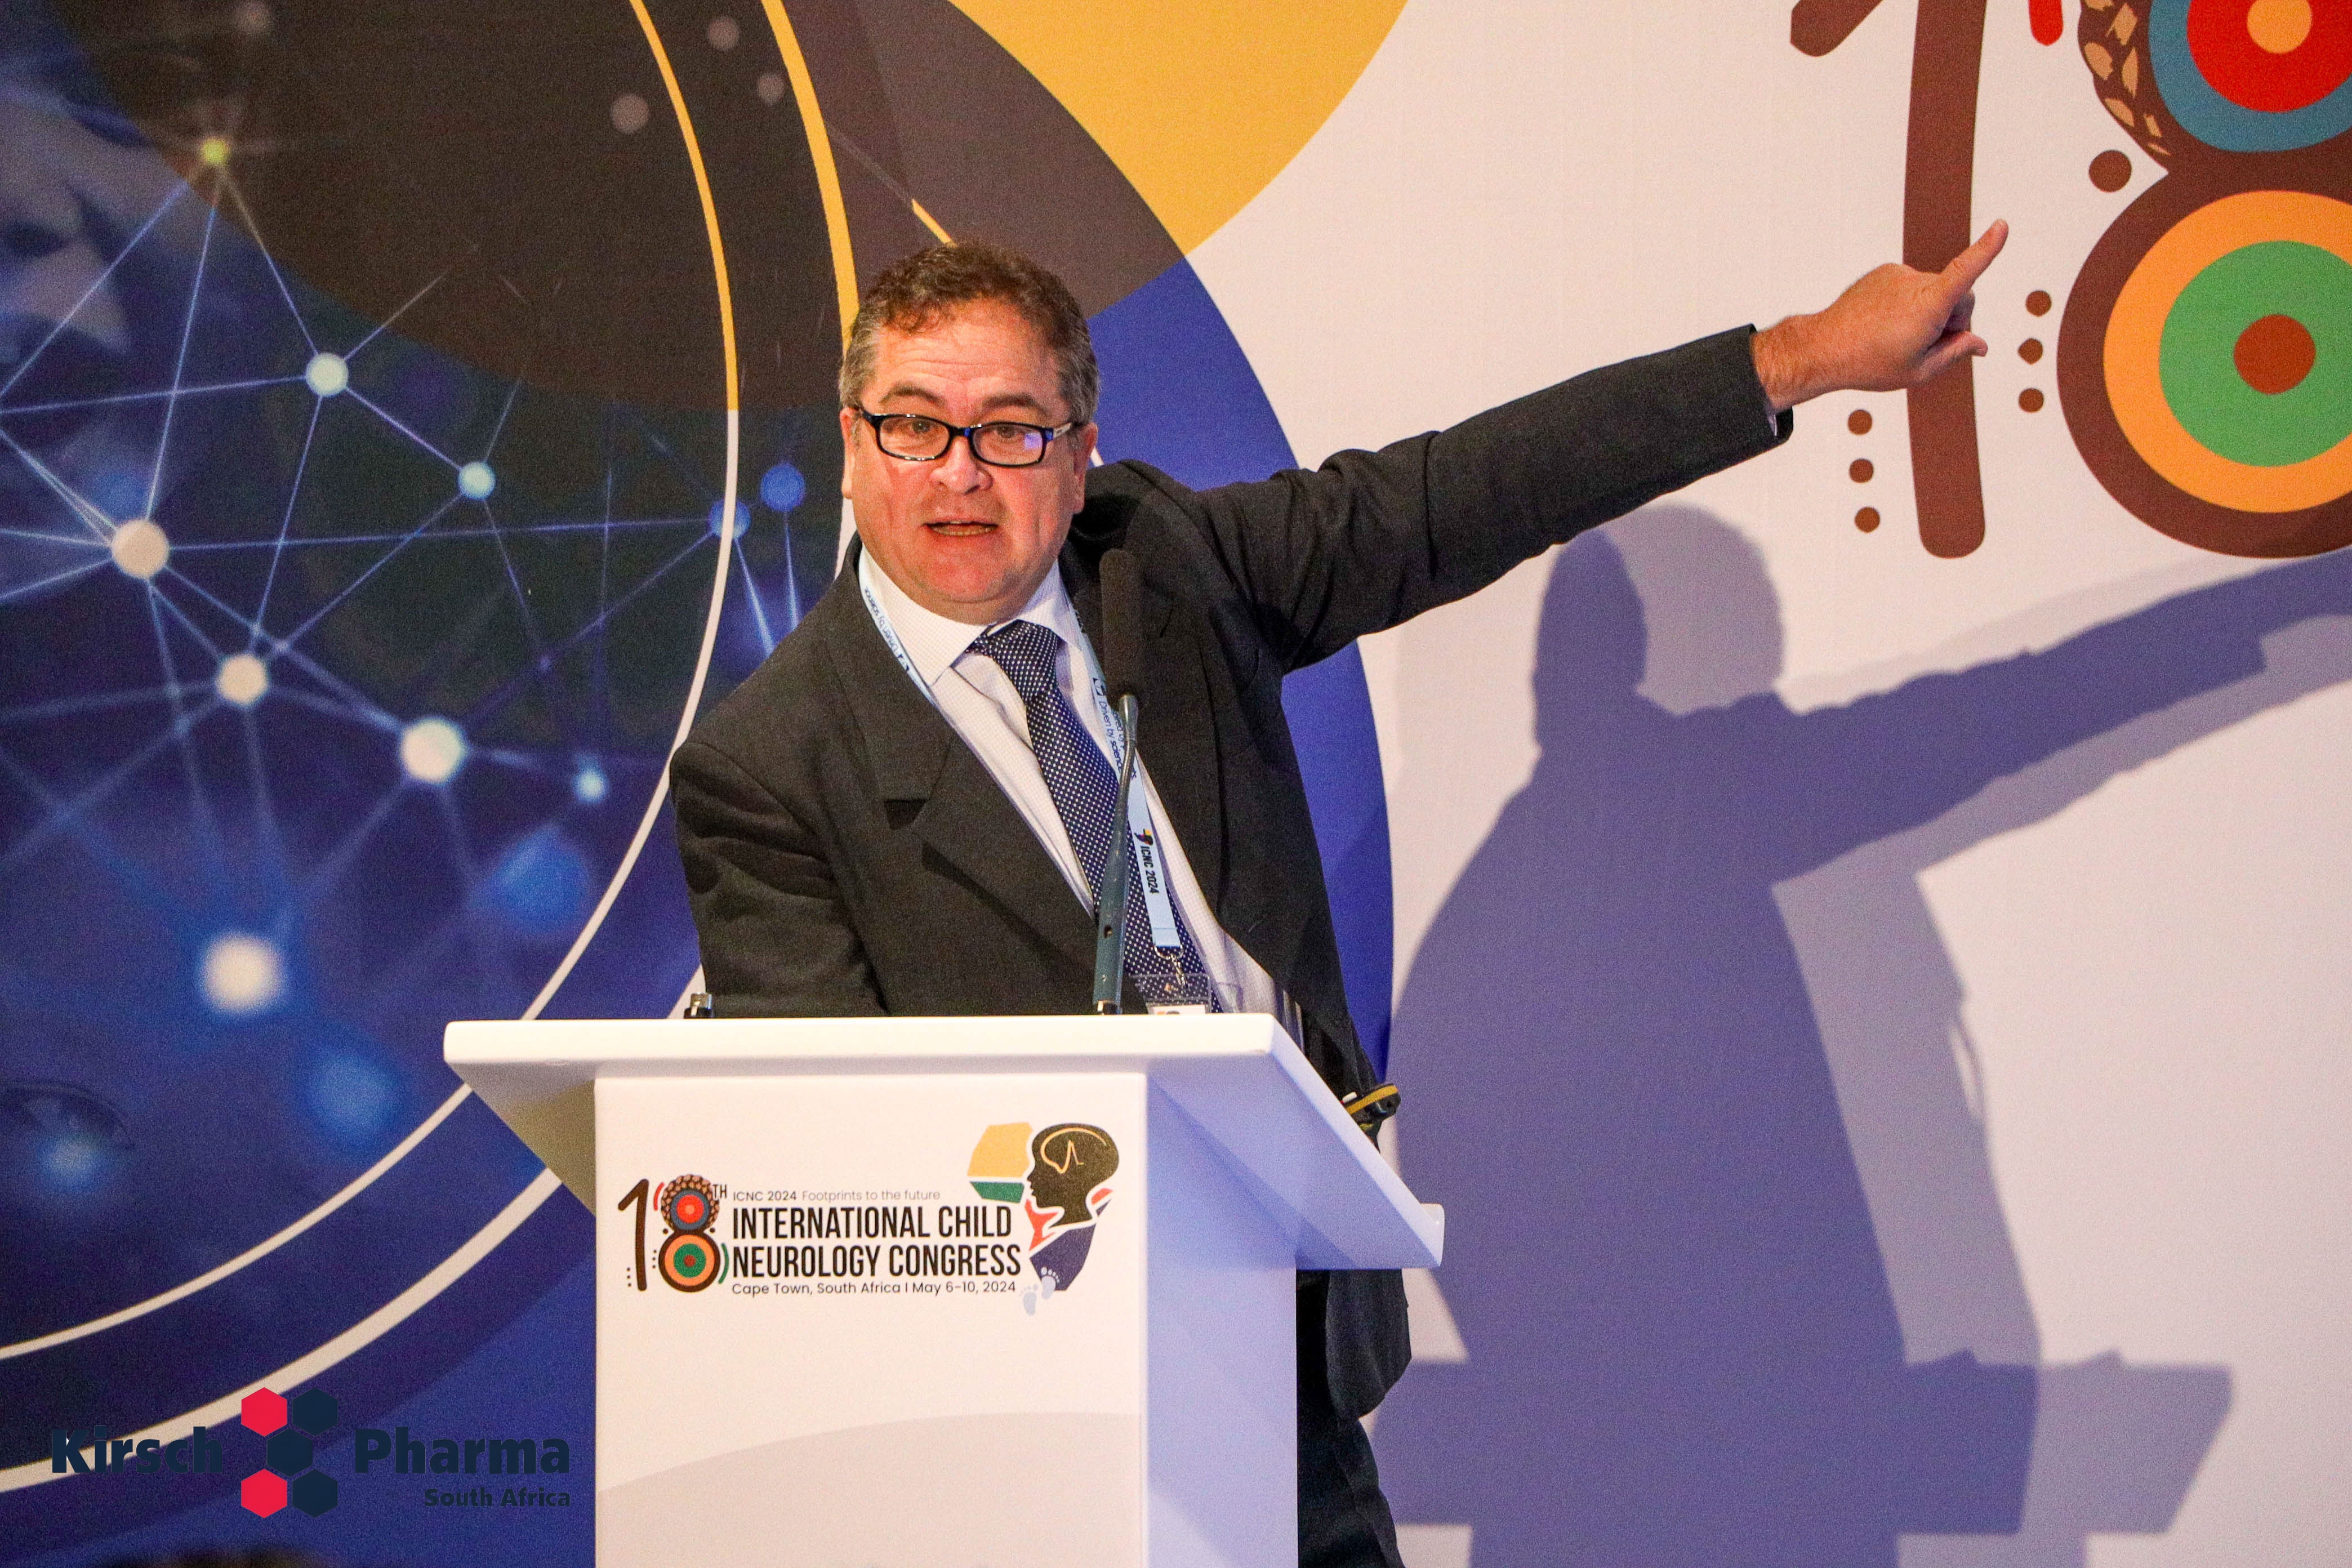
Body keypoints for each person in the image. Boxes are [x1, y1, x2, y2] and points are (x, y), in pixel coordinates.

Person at [670, 228, 2008, 1567]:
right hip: (1022, 1439)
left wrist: (1801, 357)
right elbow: (835, 1181)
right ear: (852, 449)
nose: (960, 472)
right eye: (914, 426)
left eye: (1011, 430)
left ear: (1078, 460)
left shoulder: (1165, 565)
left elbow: (1455, 496)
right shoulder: (771, 766)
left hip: (1291, 1372)